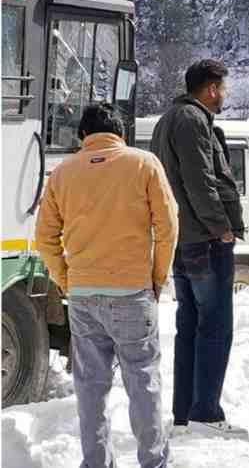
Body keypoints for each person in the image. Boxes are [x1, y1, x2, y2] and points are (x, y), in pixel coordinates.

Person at [34, 103, 178, 468]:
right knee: (142, 381)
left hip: (83, 295)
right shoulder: (143, 164)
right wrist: (157, 278)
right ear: (120, 134)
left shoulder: (63, 173)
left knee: (90, 387)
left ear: (83, 136)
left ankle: (96, 462)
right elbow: (168, 227)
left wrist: (67, 280)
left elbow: (45, 237)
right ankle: (153, 462)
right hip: (133, 292)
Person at [150, 59, 247, 437]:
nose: (225, 95)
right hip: (203, 240)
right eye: (223, 88)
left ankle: (185, 413)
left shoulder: (167, 119)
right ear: (210, 89)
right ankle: (205, 412)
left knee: (189, 326)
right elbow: (200, 182)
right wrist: (221, 227)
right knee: (215, 326)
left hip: (180, 239)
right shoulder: (192, 120)